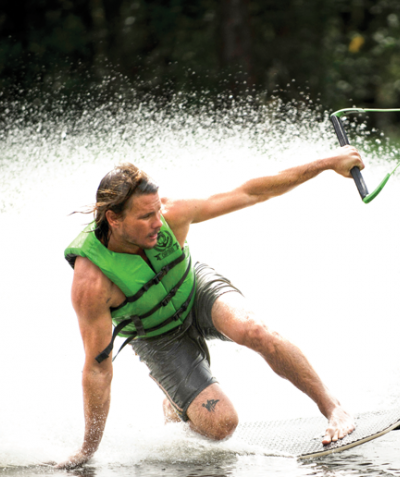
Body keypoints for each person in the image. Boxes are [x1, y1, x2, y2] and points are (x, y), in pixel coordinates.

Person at [55, 146, 364, 469]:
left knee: (255, 330)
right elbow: (97, 369)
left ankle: (332, 407)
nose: (158, 223)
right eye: (145, 216)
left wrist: (328, 163)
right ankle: (176, 404)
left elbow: (250, 192)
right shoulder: (92, 283)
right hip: (157, 335)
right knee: (220, 426)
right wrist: (88, 450)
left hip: (196, 290)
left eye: (157, 211)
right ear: (113, 219)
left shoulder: (172, 214)